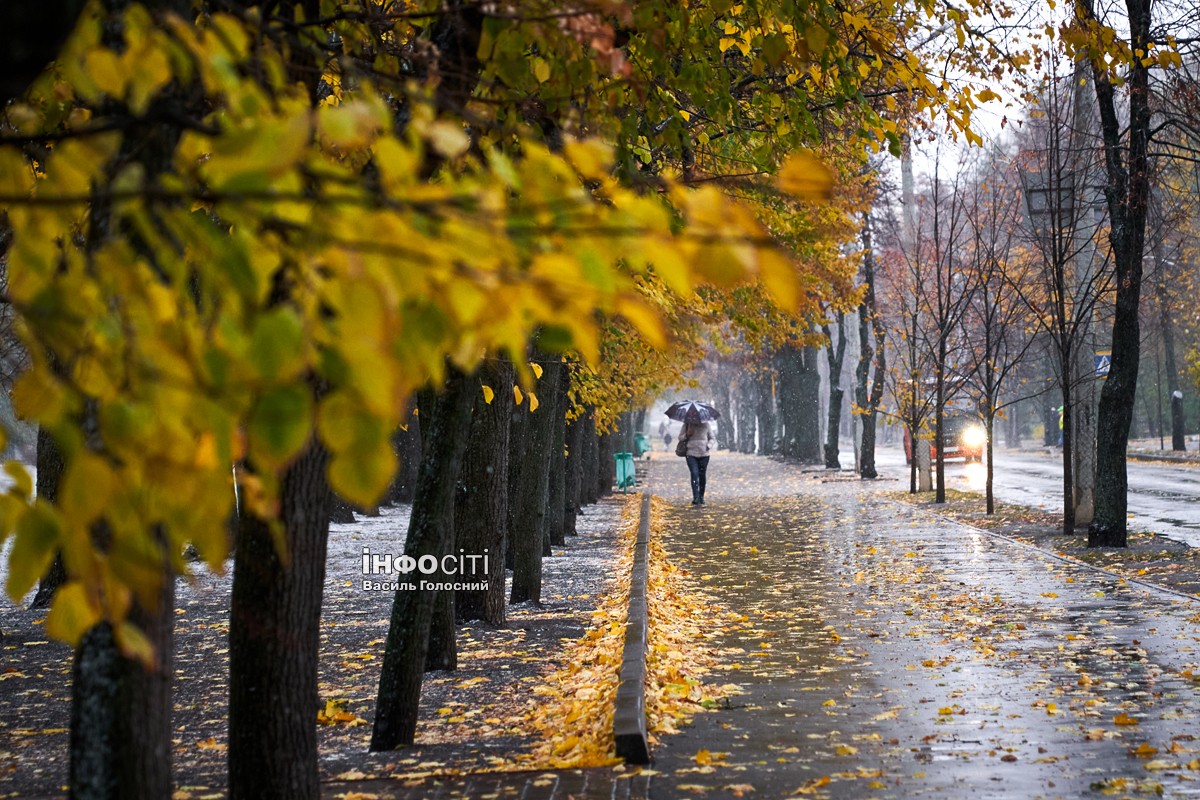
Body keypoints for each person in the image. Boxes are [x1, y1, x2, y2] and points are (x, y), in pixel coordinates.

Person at [679, 418, 716, 505]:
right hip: (691, 454)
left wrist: (708, 445)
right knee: (694, 473)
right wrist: (687, 435)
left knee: (702, 475)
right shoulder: (687, 424)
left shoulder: (706, 424)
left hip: (704, 455)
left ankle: (701, 496)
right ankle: (695, 497)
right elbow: (680, 437)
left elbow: (712, 438)